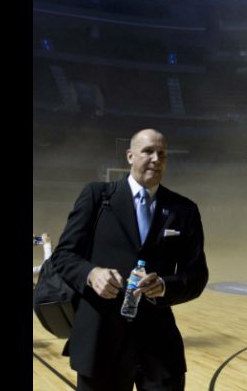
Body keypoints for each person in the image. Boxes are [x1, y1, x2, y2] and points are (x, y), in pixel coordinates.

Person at [50, 128, 208, 391]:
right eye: (148, 151)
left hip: (158, 345)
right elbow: (63, 256)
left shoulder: (184, 209)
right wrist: (92, 274)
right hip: (101, 340)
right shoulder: (97, 196)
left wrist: (165, 286)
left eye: (162, 153)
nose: (156, 159)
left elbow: (197, 275)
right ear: (130, 156)